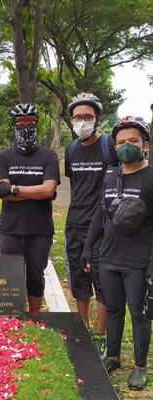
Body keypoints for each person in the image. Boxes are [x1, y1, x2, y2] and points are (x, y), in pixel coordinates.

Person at [83, 116, 152, 390]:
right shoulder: (111, 175)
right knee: (112, 310)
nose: (126, 147)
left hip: (139, 261)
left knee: (138, 314)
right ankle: (112, 356)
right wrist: (89, 247)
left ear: (145, 144)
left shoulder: (150, 177)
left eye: (133, 141)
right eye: (121, 142)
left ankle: (139, 366)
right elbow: (101, 213)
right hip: (109, 257)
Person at [64, 93, 118, 357]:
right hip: (75, 224)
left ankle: (100, 334)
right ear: (71, 120)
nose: (82, 121)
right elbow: (76, 185)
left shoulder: (109, 146)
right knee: (79, 280)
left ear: (97, 119)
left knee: (102, 281)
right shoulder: (71, 150)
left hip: (105, 226)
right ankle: (83, 329)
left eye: (87, 117)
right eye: (77, 117)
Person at [0, 103, 60, 313]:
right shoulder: (3, 157)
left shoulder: (48, 156)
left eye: (30, 124)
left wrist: (13, 188)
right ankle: (14, 318)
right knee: (10, 276)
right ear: (13, 127)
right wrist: (36, 192)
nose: (25, 129)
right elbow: (2, 193)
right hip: (11, 229)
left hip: (40, 229)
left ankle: (34, 318)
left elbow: (49, 190)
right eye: (20, 124)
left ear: (37, 125)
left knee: (35, 276)